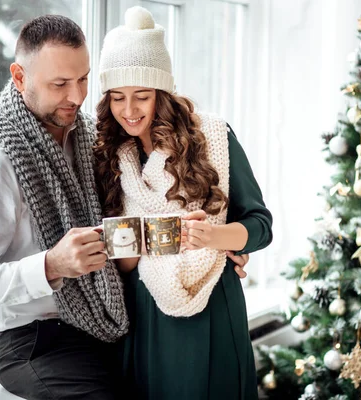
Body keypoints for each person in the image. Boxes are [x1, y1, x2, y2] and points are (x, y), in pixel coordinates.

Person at [0, 14, 251, 400]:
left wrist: (222, 243)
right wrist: (51, 265)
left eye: (84, 79)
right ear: (20, 78)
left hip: (102, 320)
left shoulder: (92, 138)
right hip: (33, 342)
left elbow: (147, 206)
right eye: (60, 84)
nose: (76, 97)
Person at [93, 6, 273, 400]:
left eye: (142, 96)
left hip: (212, 301)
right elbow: (117, 256)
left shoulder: (213, 137)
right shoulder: (109, 154)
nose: (129, 110)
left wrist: (212, 237)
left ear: (163, 93)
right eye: (118, 97)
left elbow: (260, 225)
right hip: (143, 310)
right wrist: (128, 247)